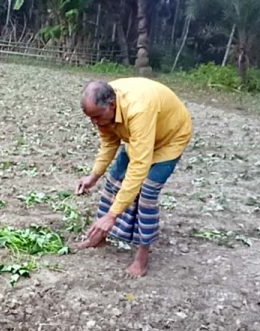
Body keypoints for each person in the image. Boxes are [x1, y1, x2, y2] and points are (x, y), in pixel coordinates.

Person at [76, 78, 193, 277]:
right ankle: (99, 237)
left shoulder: (138, 110)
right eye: (90, 118)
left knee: (147, 193)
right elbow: (109, 143)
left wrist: (113, 215)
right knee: (113, 182)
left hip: (169, 139)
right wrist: (94, 176)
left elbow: (139, 166)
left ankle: (142, 257)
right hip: (141, 137)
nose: (94, 122)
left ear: (111, 105)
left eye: (96, 117)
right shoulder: (105, 109)